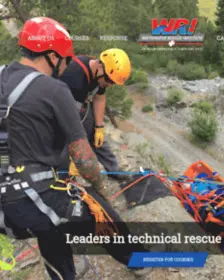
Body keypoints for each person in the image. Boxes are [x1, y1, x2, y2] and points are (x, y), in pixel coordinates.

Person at [0, 17, 150, 279]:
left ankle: (63, 273)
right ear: (52, 56)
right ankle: (137, 259)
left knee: (52, 224)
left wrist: (99, 127)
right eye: (65, 58)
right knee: (101, 212)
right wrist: (99, 188)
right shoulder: (56, 89)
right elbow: (85, 160)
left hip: (7, 208)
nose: (68, 62)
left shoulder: (2, 73)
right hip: (24, 201)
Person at [59, 48, 131, 180]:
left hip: (77, 105)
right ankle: (64, 173)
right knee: (69, 141)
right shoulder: (75, 77)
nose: (109, 85)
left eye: (113, 83)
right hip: (59, 109)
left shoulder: (101, 74)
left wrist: (99, 127)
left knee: (97, 137)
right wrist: (72, 155)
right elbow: (68, 120)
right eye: (109, 80)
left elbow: (100, 98)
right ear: (100, 66)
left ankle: (113, 170)